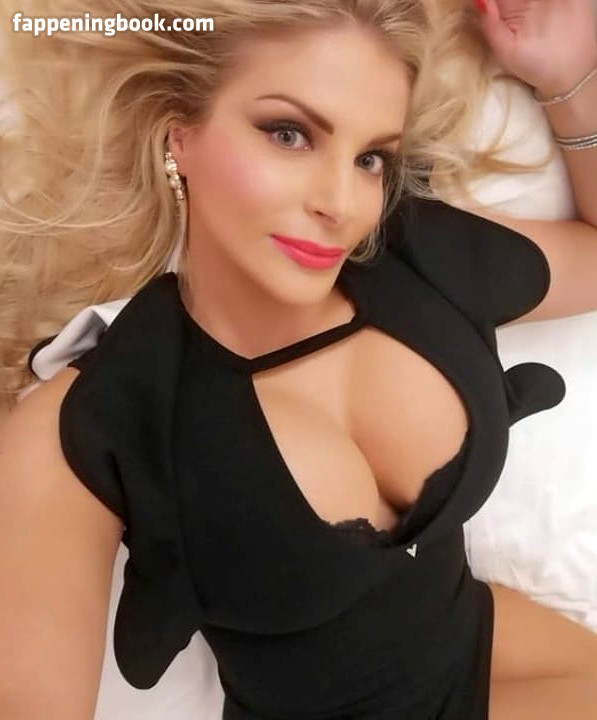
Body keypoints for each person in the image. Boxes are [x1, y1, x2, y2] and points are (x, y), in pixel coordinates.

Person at [0, 1, 596, 719]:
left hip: (532, 663)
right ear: (179, 135)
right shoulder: (88, 425)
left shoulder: (418, 257)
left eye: (370, 158)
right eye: (289, 134)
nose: (341, 204)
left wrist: (566, 80)